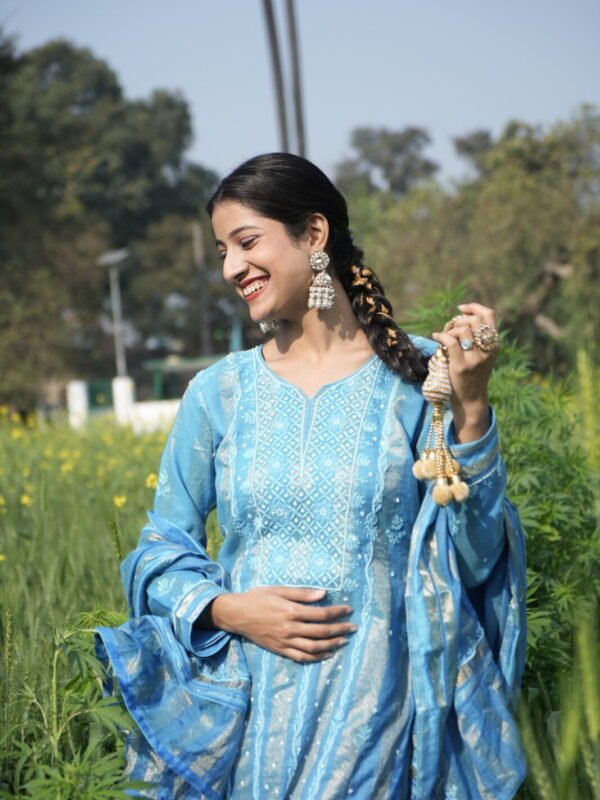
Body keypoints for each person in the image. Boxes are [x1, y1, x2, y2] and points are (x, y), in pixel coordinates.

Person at [97, 152, 527, 800]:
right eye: (222, 250)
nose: (230, 267)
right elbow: (161, 549)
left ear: (315, 236)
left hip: (380, 714)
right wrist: (227, 609)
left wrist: (469, 408)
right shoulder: (218, 394)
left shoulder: (421, 376)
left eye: (246, 242)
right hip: (247, 715)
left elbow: (474, 558)